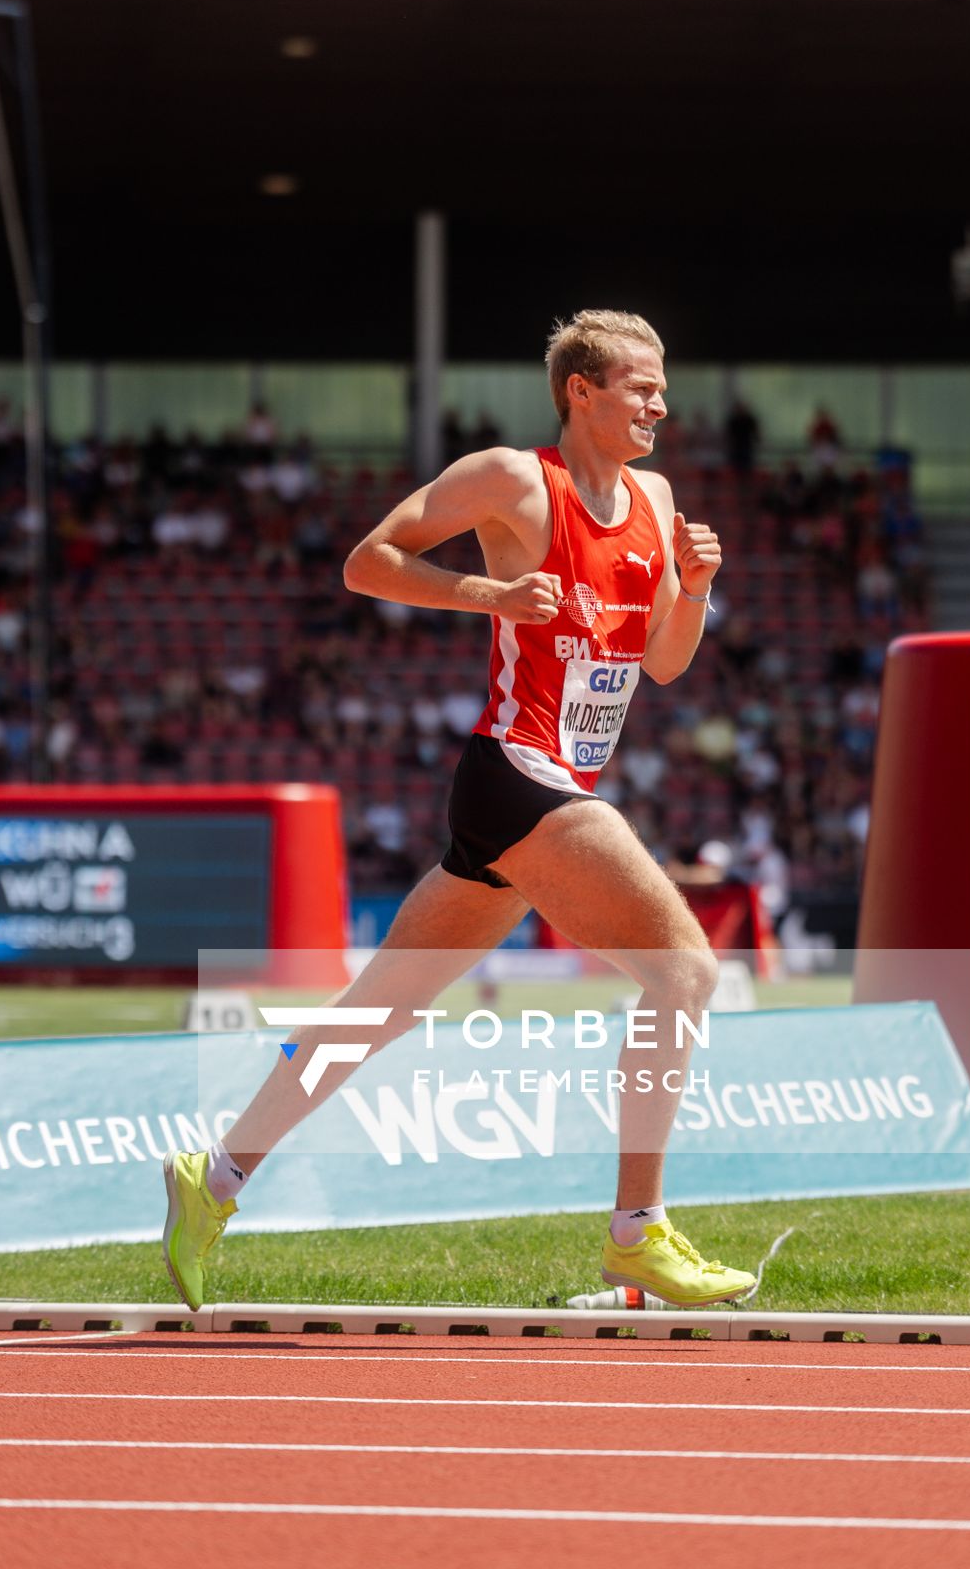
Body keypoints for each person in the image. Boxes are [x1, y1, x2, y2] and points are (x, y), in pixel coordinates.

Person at [161, 309, 754, 1311]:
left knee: (374, 1016)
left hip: (547, 789)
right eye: (640, 386)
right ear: (582, 390)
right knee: (684, 970)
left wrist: (691, 590)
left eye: (661, 388)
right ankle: (636, 1237)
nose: (660, 404)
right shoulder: (513, 479)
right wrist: (491, 595)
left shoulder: (653, 501)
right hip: (518, 775)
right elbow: (367, 562)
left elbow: (659, 659)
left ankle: (211, 1180)